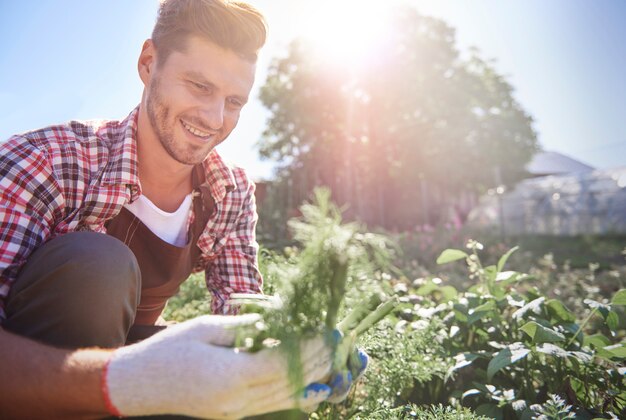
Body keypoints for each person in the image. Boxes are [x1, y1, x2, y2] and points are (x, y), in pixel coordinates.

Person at [0, 0, 365, 418]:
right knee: (98, 263)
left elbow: (240, 312)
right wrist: (132, 378)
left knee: (273, 396)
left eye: (234, 102)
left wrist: (298, 348)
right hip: (33, 392)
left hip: (131, 374)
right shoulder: (44, 161)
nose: (214, 118)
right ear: (148, 62)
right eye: (199, 86)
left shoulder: (229, 191)